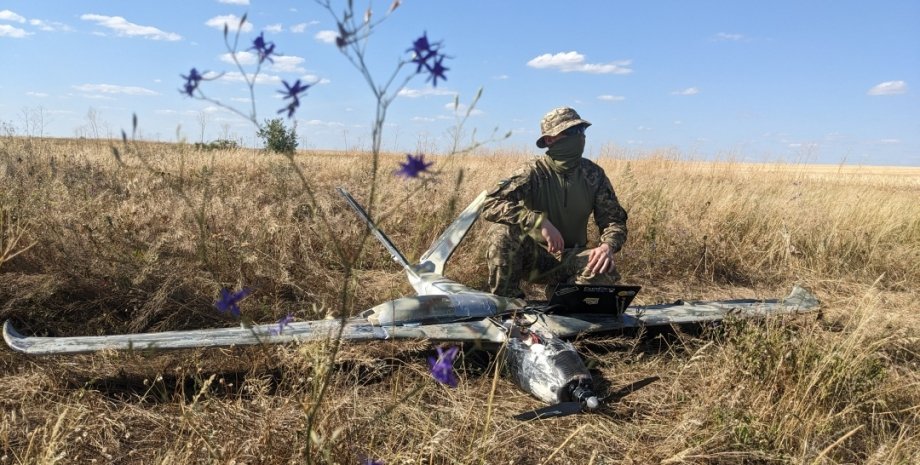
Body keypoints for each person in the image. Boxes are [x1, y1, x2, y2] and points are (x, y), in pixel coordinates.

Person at [481, 107, 627, 298]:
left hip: (571, 257)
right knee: (502, 233)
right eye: (572, 132)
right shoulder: (533, 170)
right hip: (534, 256)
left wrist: (607, 246)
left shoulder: (594, 174)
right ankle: (507, 306)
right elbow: (490, 203)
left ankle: (563, 298)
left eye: (581, 131)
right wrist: (538, 221)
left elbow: (614, 222)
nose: (580, 137)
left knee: (603, 267)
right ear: (550, 139)